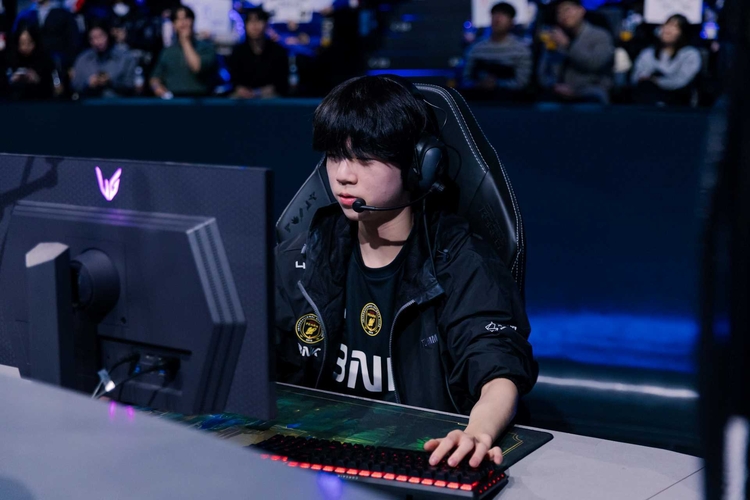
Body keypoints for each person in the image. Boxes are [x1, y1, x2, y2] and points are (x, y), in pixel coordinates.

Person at [275, 75, 538, 467]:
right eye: (334, 155)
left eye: (364, 159)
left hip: (422, 457)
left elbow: (496, 367)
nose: (343, 174)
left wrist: (477, 432)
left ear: (419, 165)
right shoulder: (303, 255)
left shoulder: (461, 262)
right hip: (318, 459)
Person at [538, 0, 614, 103]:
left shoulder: (600, 35)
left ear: (581, 10)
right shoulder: (554, 37)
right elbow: (544, 69)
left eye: (567, 10)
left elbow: (594, 64)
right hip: (557, 92)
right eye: (559, 12)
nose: (563, 15)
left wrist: (568, 46)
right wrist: (553, 85)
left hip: (591, 91)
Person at [462, 2, 532, 100]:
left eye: (503, 15)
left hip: (511, 102)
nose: (497, 19)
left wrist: (496, 84)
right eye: (495, 14)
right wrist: (479, 84)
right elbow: (465, 80)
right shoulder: (475, 48)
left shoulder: (521, 50)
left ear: (512, 22)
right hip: (478, 101)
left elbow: (522, 83)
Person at [631, 14, 701, 106]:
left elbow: (681, 80)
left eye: (675, 27)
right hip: (650, 97)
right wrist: (648, 79)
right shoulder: (648, 53)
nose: (668, 30)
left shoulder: (690, 54)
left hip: (678, 101)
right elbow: (637, 76)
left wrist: (657, 81)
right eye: (666, 25)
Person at [149, 5, 216, 98]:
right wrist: (158, 89)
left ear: (192, 21)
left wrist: (185, 41)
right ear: (173, 25)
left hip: (200, 99)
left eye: (186, 18)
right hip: (174, 99)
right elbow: (154, 79)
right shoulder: (167, 51)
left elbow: (197, 67)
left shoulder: (206, 48)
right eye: (178, 19)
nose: (183, 23)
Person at [227, 7, 288, 99]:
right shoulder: (238, 51)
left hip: (270, 97)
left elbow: (281, 80)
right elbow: (234, 79)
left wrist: (264, 91)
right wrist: (240, 89)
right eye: (250, 21)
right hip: (243, 98)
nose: (254, 25)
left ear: (266, 24)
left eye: (258, 20)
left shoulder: (278, 51)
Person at [71, 21, 135, 97]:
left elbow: (130, 84)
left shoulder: (124, 57)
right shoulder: (83, 59)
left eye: (101, 36)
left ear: (108, 35)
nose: (97, 42)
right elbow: (75, 85)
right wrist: (88, 83)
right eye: (93, 38)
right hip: (90, 102)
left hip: (117, 102)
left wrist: (111, 82)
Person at [13, 0, 79, 70]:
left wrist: (70, 65)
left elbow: (73, 42)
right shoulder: (25, 15)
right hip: (31, 66)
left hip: (58, 65)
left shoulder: (64, 14)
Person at [6, 24, 55, 100]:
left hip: (40, 100)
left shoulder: (44, 59)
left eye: (29, 42)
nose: (25, 47)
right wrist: (12, 79)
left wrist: (37, 79)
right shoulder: (11, 58)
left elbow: (50, 87)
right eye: (22, 43)